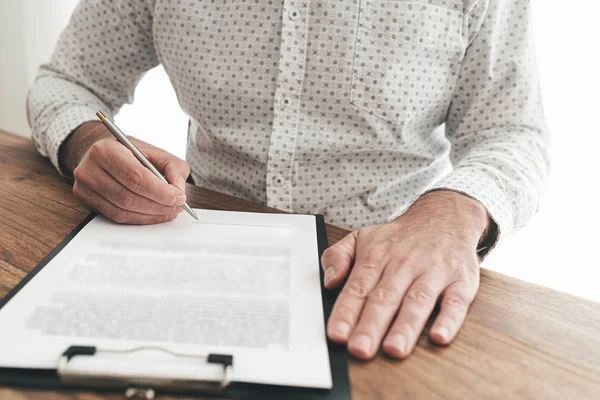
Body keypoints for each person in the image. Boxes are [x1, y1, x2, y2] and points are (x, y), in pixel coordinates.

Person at [27, 0, 549, 361]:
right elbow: (69, 83)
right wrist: (82, 142)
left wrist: (453, 212)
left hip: (383, 276)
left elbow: (510, 131)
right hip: (190, 258)